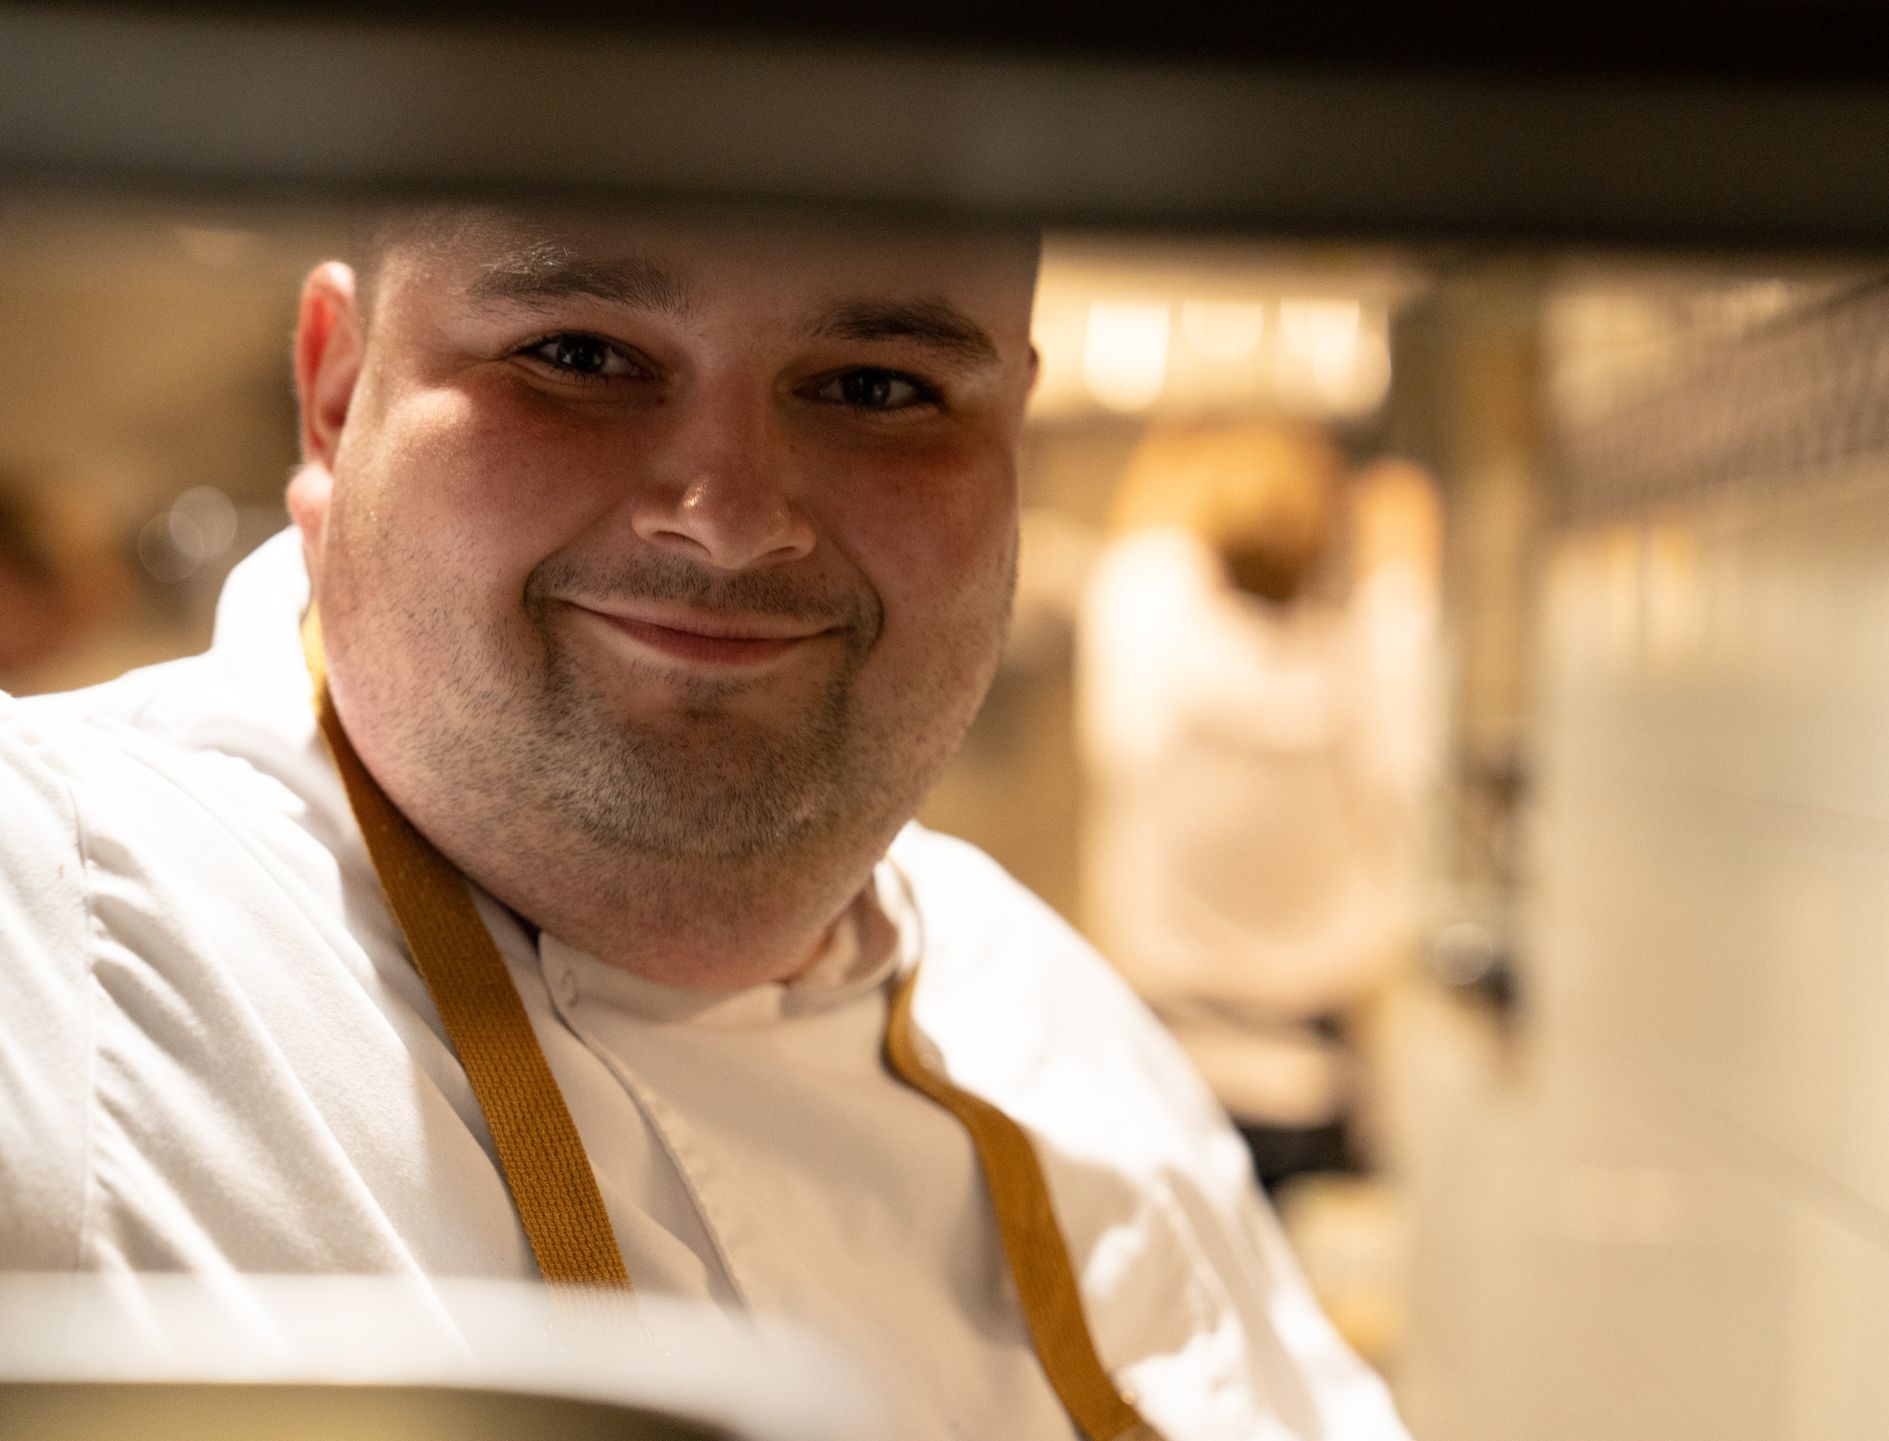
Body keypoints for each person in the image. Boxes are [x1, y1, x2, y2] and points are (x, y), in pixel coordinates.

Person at [0, 205, 1409, 1441]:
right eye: (579, 356)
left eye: (879, 384)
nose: (732, 518)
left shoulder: (1044, 1003)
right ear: (338, 389)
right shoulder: (60, 931)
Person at [1077, 425, 1437, 1191]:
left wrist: (1212, 470)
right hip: (1318, 1095)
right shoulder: (1364, 693)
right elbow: (1408, 544)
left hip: (1162, 1073)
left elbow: (1140, 554)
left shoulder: (1156, 692)